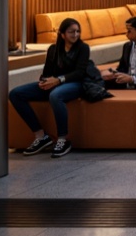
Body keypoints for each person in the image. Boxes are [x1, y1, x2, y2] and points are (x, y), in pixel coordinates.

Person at [10, 17, 90, 158]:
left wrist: (58, 80)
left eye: (78, 31)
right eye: (72, 32)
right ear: (62, 34)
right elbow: (47, 72)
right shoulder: (53, 49)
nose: (76, 35)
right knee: (15, 94)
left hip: (75, 84)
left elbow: (80, 72)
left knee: (55, 95)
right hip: (53, 83)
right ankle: (41, 136)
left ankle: (62, 140)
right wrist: (44, 81)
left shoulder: (83, 48)